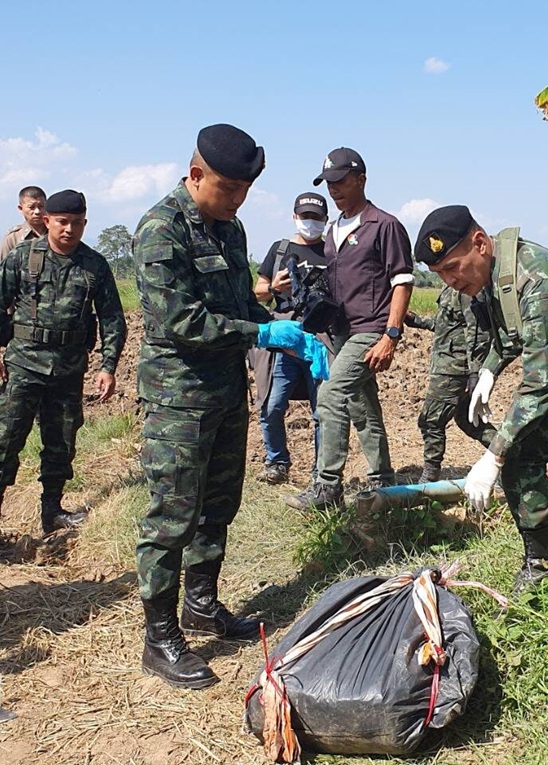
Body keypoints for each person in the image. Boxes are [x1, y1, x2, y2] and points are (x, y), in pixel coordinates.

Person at [133, 124, 326, 690]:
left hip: (223, 391)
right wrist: (263, 336)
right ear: (196, 175)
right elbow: (182, 321)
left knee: (219, 502)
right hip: (179, 396)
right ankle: (161, 636)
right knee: (172, 514)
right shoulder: (160, 230)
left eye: (245, 189)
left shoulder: (231, 229)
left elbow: (242, 303)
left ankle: (201, 604)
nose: (238, 199)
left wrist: (280, 326)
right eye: (229, 187)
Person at [414, 205, 548, 591]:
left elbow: (542, 383)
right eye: (440, 274)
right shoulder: (496, 274)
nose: (450, 281)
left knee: (517, 456)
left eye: (453, 267)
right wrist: (491, 369)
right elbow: (510, 336)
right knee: (517, 450)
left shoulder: (538, 278)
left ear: (480, 244)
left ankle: (546, 569)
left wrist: (494, 456)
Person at [286, 147, 413, 512]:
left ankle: (327, 488)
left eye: (341, 181)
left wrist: (391, 335)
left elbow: (402, 282)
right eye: (329, 183)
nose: (334, 189)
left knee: (330, 395)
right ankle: (384, 482)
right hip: (339, 332)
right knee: (363, 406)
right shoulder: (333, 229)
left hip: (370, 329)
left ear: (361, 179)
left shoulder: (383, 225)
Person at [0, 189, 126, 534]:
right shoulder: (22, 257)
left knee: (61, 442)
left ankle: (52, 512)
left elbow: (113, 318)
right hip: (24, 366)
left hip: (68, 371)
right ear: (46, 220)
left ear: (85, 223)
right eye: (62, 222)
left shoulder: (94, 266)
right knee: (5, 440)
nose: (69, 229)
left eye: (76, 223)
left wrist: (108, 366)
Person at [252, 192, 331, 485]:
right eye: (305, 216)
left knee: (322, 411)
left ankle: (320, 473)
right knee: (271, 406)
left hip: (321, 344)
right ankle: (277, 462)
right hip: (285, 343)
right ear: (295, 216)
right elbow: (257, 291)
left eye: (317, 217)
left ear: (326, 220)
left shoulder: (332, 251)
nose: (311, 222)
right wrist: (274, 287)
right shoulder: (280, 249)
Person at [405, 285, 495, 483]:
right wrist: (418, 321)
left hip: (454, 368)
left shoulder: (469, 289)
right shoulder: (452, 288)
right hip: (450, 364)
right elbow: (448, 324)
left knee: (431, 421)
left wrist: (474, 372)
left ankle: (429, 476)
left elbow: (478, 333)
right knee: (468, 420)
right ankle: (511, 451)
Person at [1, 186, 47, 260]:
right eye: (31, 207)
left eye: (41, 206)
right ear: (21, 209)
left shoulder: (56, 232)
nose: (37, 211)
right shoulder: (13, 238)